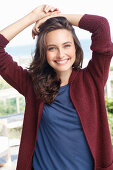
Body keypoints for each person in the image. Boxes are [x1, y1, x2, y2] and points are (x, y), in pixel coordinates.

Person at [0, 4, 113, 170]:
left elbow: (100, 25)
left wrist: (54, 18)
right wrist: (32, 17)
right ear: (43, 53)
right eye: (51, 48)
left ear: (75, 47)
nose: (61, 54)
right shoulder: (32, 84)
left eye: (67, 45)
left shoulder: (93, 78)